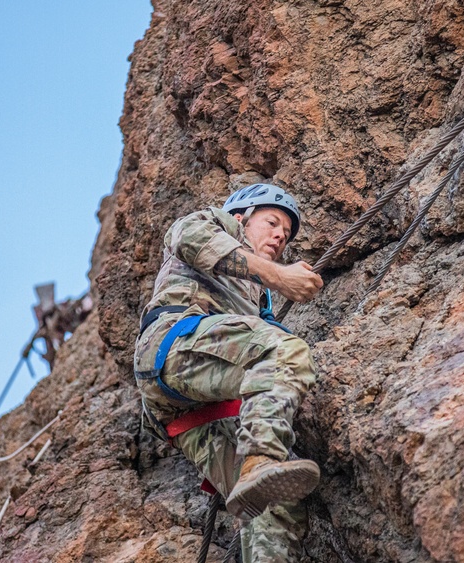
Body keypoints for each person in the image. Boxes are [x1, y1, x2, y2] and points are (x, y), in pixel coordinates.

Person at [133, 182, 324, 561]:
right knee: (285, 352)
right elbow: (190, 237)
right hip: (174, 343)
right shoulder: (213, 222)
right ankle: (260, 457)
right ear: (241, 218)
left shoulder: (256, 299)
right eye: (272, 223)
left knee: (273, 503)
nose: (278, 236)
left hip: (188, 409)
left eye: (285, 234)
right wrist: (279, 276)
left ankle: (259, 476)